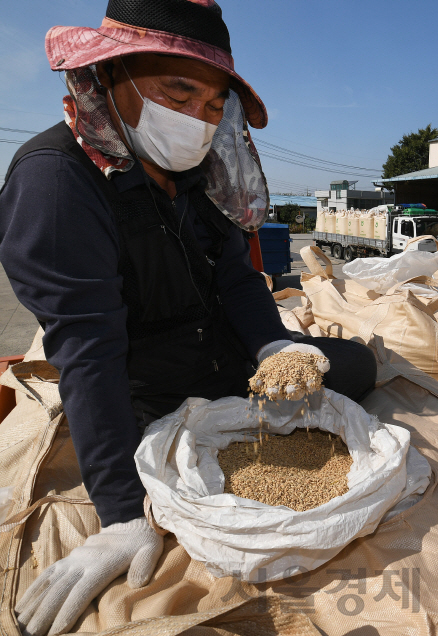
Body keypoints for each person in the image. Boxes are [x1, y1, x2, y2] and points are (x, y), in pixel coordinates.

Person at [0, 2, 377, 634]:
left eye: (211, 106)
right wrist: (120, 514)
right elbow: (88, 350)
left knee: (359, 364)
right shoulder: (56, 184)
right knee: (174, 478)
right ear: (110, 76)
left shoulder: (199, 171)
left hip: (224, 355)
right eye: (179, 93)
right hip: (145, 382)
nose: (198, 123)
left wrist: (271, 350)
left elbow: (234, 273)